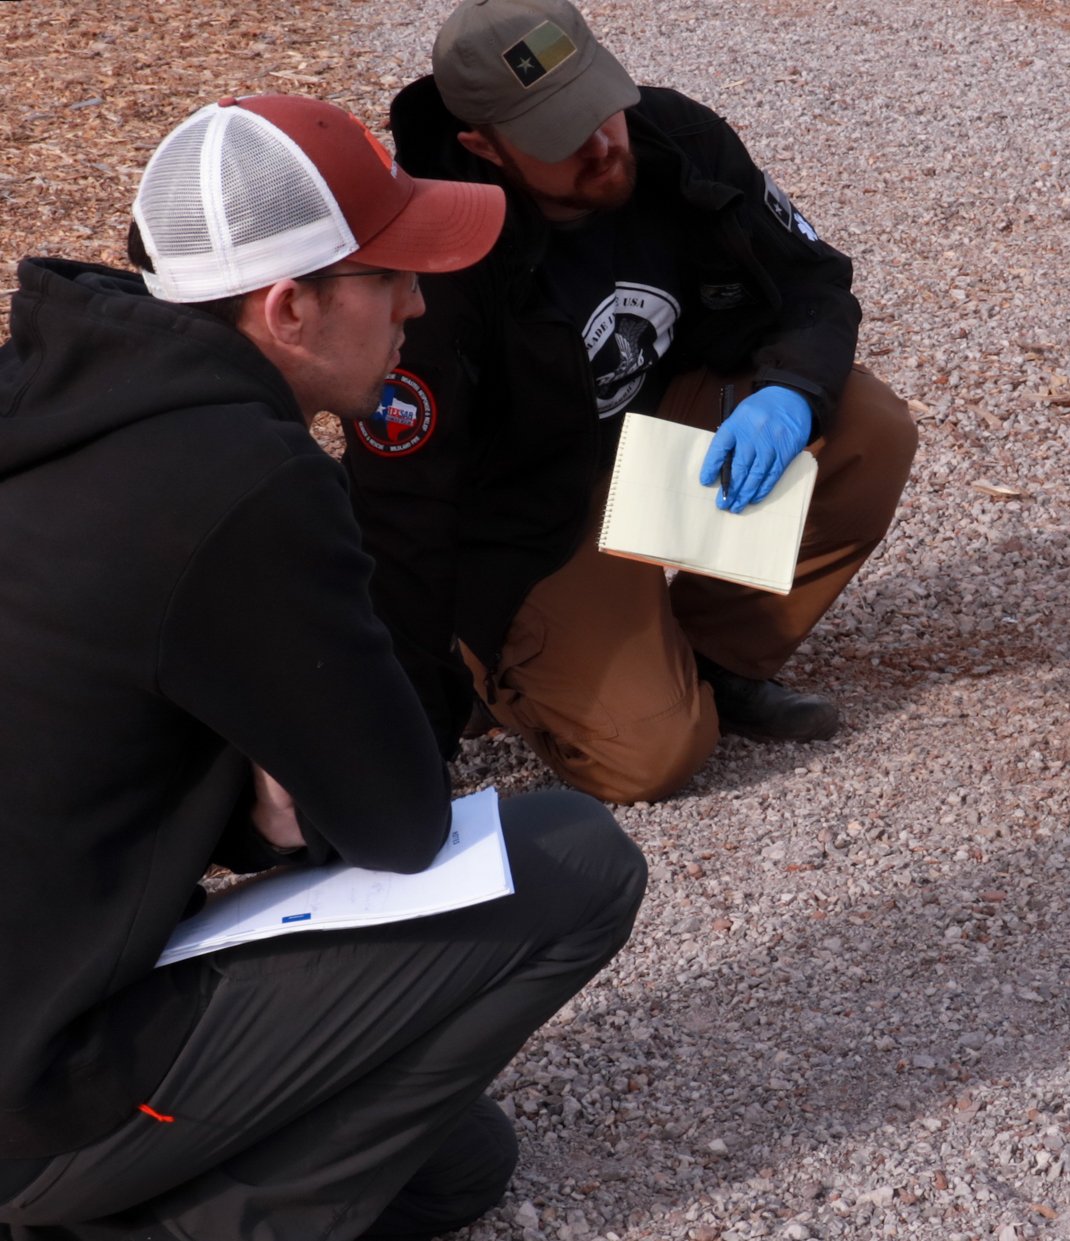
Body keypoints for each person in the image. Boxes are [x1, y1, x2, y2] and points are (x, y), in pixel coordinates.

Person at [0, 95, 647, 1239]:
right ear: (288, 305)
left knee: (452, 1164)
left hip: (43, 974)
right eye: (388, 274)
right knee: (571, 859)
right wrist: (280, 800)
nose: (416, 302)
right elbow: (397, 824)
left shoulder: (45, 395)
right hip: (32, 1098)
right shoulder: (244, 479)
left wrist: (262, 809)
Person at [344, 0, 919, 804]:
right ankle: (498, 672)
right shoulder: (434, 262)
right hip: (529, 515)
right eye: (561, 136)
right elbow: (400, 502)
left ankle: (715, 661)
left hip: (652, 435)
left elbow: (811, 280)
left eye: (597, 106)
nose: (602, 145)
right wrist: (415, 707)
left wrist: (789, 390)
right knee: (650, 759)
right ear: (486, 147)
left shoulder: (676, 140)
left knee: (864, 430)